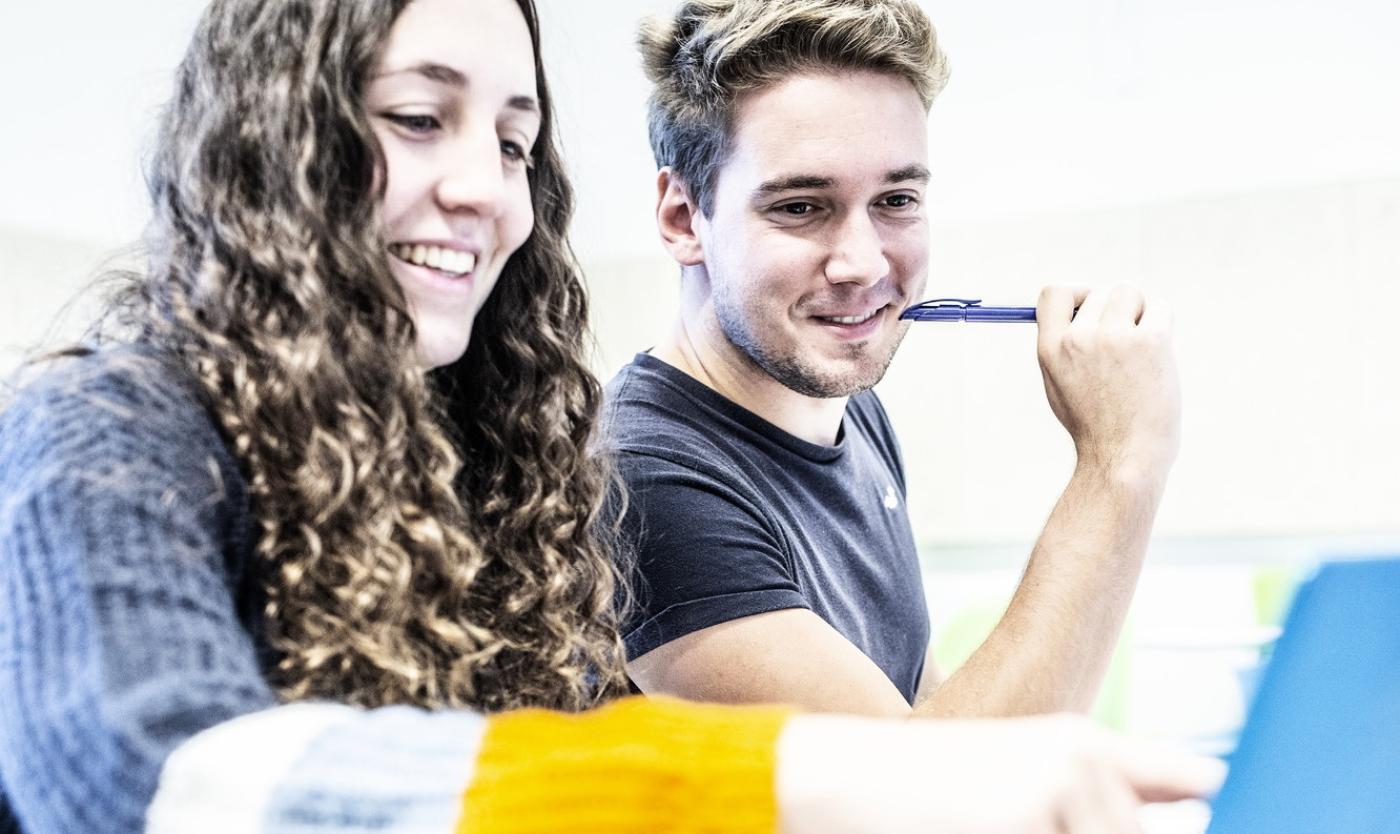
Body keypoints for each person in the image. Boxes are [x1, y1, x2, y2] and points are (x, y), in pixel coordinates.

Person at [0, 0, 1214, 832]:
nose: (486, 187)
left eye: (515, 139)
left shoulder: (485, 469)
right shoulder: (94, 433)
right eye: (419, 118)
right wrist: (792, 775)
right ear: (273, 138)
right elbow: (161, 779)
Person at [608, 0, 1182, 718]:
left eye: (897, 199)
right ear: (682, 216)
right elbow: (932, 801)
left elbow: (916, 704)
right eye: (800, 207)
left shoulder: (852, 413)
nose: (863, 263)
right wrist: (1119, 464)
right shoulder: (638, 478)